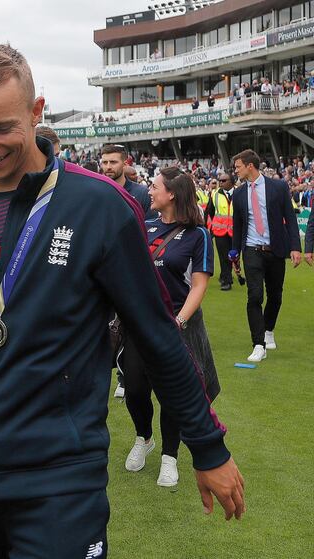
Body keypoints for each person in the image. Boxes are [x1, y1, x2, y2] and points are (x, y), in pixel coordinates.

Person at [0, 44, 245, 559]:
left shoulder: (99, 207)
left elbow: (156, 334)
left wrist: (207, 445)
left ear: (36, 111)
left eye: (2, 128)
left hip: (60, 482)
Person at [120, 167, 220, 488]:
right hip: (140, 322)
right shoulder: (144, 225)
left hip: (177, 325)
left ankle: (169, 456)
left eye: (155, 186)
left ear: (172, 193)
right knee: (134, 389)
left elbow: (199, 286)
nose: (149, 191)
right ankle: (144, 437)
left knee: (171, 395)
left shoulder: (197, 234)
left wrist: (179, 321)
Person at [231, 149, 301, 362]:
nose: (236, 171)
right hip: (252, 250)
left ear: (250, 166)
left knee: (275, 295)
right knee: (254, 296)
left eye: (238, 167)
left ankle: (268, 329)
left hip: (276, 250)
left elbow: (290, 217)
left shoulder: (278, 187)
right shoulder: (239, 193)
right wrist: (234, 254)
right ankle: (258, 344)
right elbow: (238, 225)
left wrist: (295, 247)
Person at [101, 144, 156, 219]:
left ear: (125, 164)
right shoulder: (96, 193)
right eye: (105, 162)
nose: (108, 167)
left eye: (113, 162)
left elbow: (151, 226)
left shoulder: (142, 193)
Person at [205, 172, 235, 290]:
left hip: (235, 231)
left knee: (233, 256)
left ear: (232, 182)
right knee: (223, 256)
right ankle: (226, 281)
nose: (220, 183)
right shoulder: (214, 194)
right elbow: (209, 212)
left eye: (224, 181)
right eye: (220, 181)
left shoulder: (239, 193)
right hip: (220, 231)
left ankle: (225, 275)